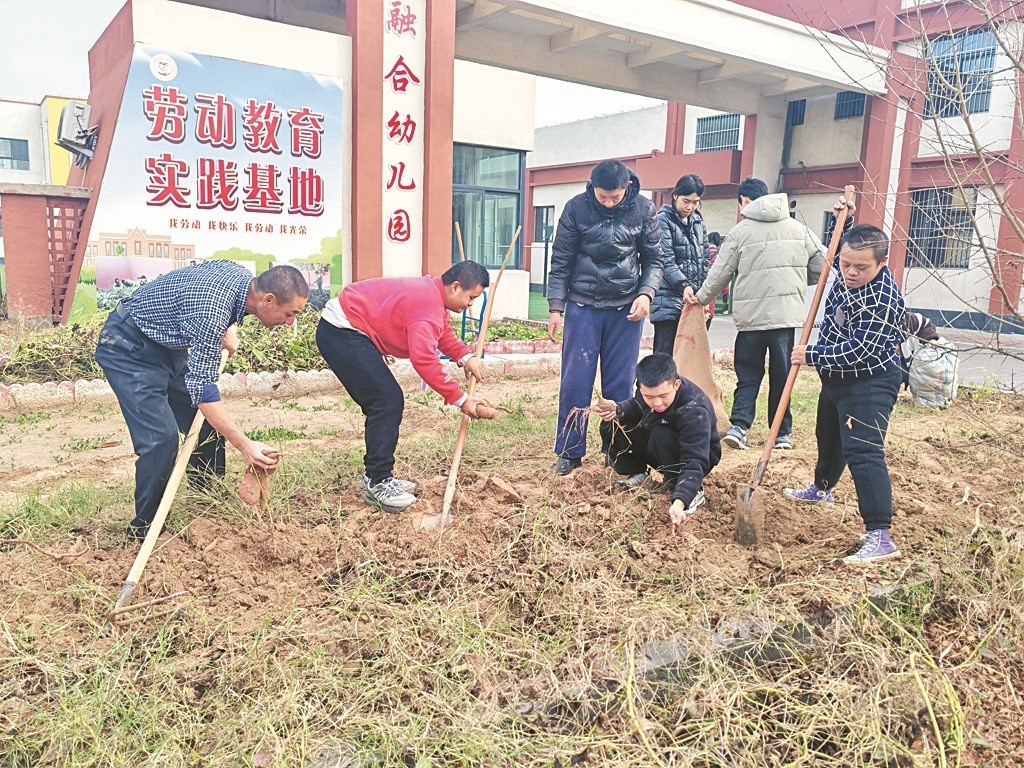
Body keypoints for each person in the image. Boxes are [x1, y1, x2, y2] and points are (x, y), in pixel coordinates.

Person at [95, 261, 309, 541]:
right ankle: (146, 529)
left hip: (166, 344)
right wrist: (245, 445)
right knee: (160, 440)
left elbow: (199, 288)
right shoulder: (211, 312)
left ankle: (206, 497)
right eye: (289, 313)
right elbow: (202, 390)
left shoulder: (243, 281)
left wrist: (226, 329)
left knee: (209, 425)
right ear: (268, 300)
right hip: (128, 347)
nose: (290, 321)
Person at [684, 177, 853, 452]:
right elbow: (825, 264)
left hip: (751, 319)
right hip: (785, 320)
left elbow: (720, 273)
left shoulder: (740, 232)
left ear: (745, 202)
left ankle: (739, 427)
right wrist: (796, 278)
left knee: (748, 373)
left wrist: (701, 299)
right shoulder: (799, 229)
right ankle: (781, 433)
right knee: (782, 374)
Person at [317, 260, 493, 513]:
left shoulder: (432, 295)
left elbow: (441, 334)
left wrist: (466, 357)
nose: (470, 304)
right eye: (471, 297)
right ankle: (378, 482)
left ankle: (375, 476)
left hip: (349, 327)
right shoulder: (426, 306)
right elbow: (423, 360)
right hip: (342, 330)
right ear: (455, 287)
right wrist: (461, 399)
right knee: (386, 400)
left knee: (385, 399)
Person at [784, 224, 907, 566]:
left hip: (869, 382)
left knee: (864, 452)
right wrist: (843, 218)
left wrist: (813, 355)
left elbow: (861, 350)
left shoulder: (883, 298)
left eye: (861, 267)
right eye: (845, 264)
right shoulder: (845, 271)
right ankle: (822, 488)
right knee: (829, 437)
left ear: (882, 263)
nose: (851, 272)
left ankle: (880, 535)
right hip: (837, 380)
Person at [547, 159, 664, 476]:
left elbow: (654, 259)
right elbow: (561, 260)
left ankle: (616, 449)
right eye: (603, 197)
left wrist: (646, 293)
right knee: (575, 380)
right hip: (582, 305)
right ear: (592, 187)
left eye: (615, 197)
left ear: (626, 187)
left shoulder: (643, 209)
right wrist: (556, 308)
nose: (609, 203)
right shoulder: (576, 208)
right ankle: (570, 452)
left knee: (621, 383)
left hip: (626, 308)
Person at [594, 353, 721, 526]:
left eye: (663, 396)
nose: (657, 403)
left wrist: (680, 500)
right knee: (613, 423)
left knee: (662, 434)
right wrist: (617, 409)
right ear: (640, 387)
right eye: (649, 397)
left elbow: (695, 459)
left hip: (696, 455)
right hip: (659, 443)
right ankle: (638, 473)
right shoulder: (647, 392)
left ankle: (689, 490)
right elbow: (636, 407)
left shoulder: (693, 410)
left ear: (676, 385)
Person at [650, 174, 710, 357]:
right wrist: (684, 286)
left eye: (695, 202)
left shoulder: (698, 222)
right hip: (667, 302)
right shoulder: (662, 219)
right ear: (675, 195)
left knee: (689, 361)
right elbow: (665, 260)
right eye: (686, 201)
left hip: (693, 301)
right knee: (663, 360)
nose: (690, 207)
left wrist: (704, 295)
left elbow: (705, 260)